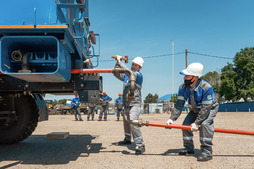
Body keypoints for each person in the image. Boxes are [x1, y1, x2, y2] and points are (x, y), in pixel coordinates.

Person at [166, 62, 219, 162]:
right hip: (195, 109)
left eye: (187, 76)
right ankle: (189, 149)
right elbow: (179, 104)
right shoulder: (182, 88)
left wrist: (196, 123)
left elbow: (205, 108)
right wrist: (171, 119)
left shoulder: (207, 88)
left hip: (209, 109)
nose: (184, 78)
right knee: (185, 126)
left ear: (195, 77)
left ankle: (207, 152)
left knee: (205, 125)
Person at [113, 55, 145, 155]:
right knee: (126, 121)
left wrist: (119, 61)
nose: (133, 66)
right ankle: (127, 139)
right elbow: (116, 73)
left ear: (140, 67)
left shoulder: (138, 75)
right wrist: (117, 63)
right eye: (132, 64)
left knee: (133, 121)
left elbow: (127, 70)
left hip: (135, 103)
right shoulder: (127, 76)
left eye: (136, 65)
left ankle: (140, 145)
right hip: (126, 102)